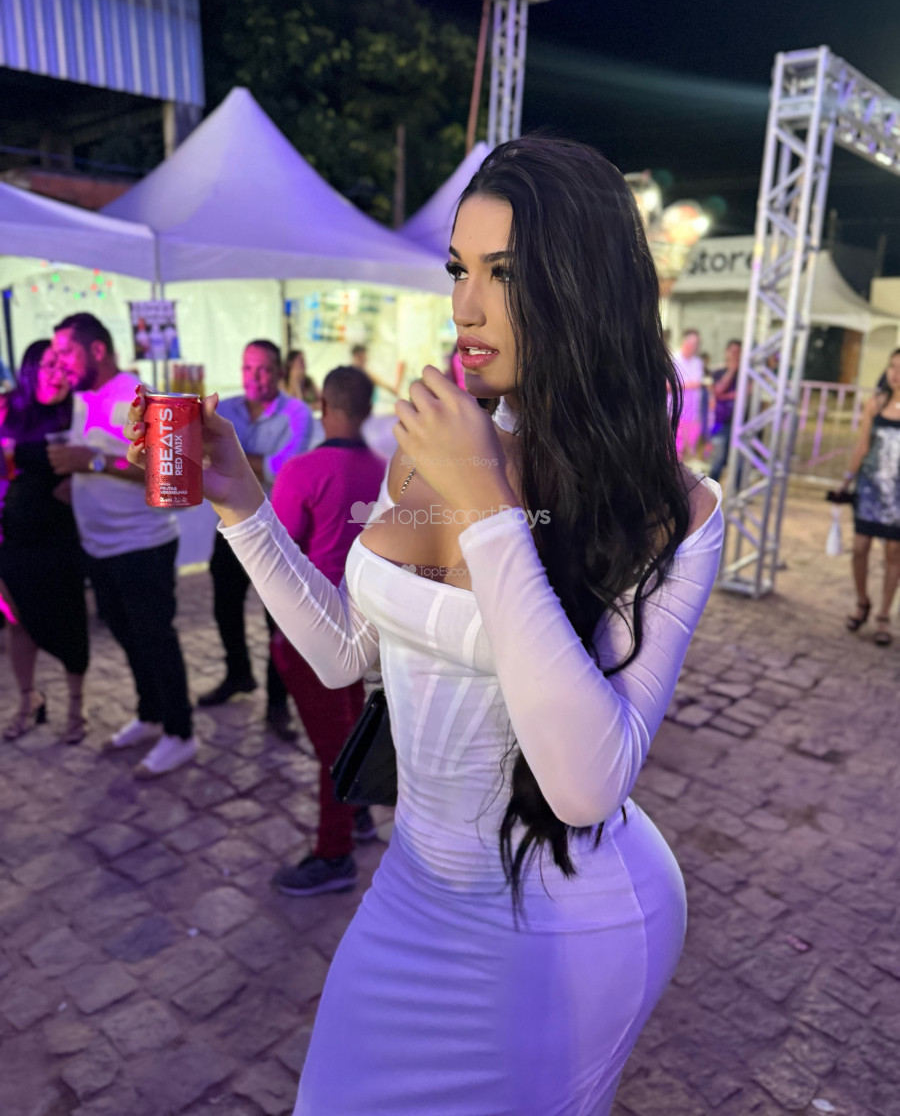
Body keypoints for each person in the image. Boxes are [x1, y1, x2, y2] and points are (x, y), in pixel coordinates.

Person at [126, 137, 722, 1115]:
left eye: (504, 273)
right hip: (411, 889)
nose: (465, 306)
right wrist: (243, 506)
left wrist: (485, 501)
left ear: (584, 286)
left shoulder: (673, 508)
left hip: (564, 925)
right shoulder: (426, 446)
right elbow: (347, 653)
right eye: (458, 269)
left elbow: (586, 783)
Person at [49, 313, 197, 776]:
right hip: (99, 546)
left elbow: (168, 473)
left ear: (96, 349)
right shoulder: (81, 399)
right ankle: (150, 714)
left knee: (155, 639)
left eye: (67, 352)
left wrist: (93, 462)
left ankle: (180, 733)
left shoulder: (136, 397)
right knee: (127, 637)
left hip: (143, 545)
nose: (61, 362)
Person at [268, 366, 387, 895]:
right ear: (368, 408)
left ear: (323, 405)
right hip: (369, 621)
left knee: (334, 744)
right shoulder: (387, 471)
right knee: (351, 724)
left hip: (315, 626)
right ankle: (356, 813)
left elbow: (279, 551)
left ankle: (334, 854)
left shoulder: (302, 470)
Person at [198, 340, 313, 740]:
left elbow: (283, 469)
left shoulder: (297, 413)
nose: (254, 377)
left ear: (279, 372)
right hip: (230, 525)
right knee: (224, 609)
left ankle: (277, 704)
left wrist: (226, 457)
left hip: (276, 531)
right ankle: (238, 674)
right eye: (248, 368)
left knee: (277, 621)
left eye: (263, 369)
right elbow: (203, 455)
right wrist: (242, 461)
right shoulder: (224, 410)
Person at [0, 341, 89, 742]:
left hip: (61, 533)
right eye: (49, 364)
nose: (58, 373)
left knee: (70, 618)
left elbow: (101, 461)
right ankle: (28, 699)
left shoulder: (78, 411)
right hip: (14, 535)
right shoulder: (10, 411)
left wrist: (80, 483)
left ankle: (76, 706)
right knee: (18, 621)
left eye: (64, 365)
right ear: (30, 368)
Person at [841, 347, 900, 647]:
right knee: (860, 547)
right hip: (870, 488)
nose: (896, 373)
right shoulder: (875, 403)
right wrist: (847, 479)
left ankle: (884, 616)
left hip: (898, 493)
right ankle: (862, 601)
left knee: (894, 552)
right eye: (893, 367)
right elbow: (863, 443)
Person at [708, 339, 742, 482]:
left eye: (738, 352)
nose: (735, 355)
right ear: (726, 352)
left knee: (739, 463)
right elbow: (718, 390)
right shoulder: (719, 371)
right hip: (721, 422)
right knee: (718, 459)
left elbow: (746, 393)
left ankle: (737, 491)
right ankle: (712, 489)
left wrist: (725, 396)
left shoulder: (746, 373)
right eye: (732, 352)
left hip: (741, 423)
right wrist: (732, 370)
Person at [672, 329, 704, 460]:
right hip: (674, 411)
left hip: (692, 413)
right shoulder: (673, 359)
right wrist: (688, 384)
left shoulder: (697, 362)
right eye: (692, 342)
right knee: (674, 447)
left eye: (696, 343)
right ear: (684, 341)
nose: (694, 346)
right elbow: (668, 385)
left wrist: (680, 384)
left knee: (689, 450)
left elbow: (697, 383)